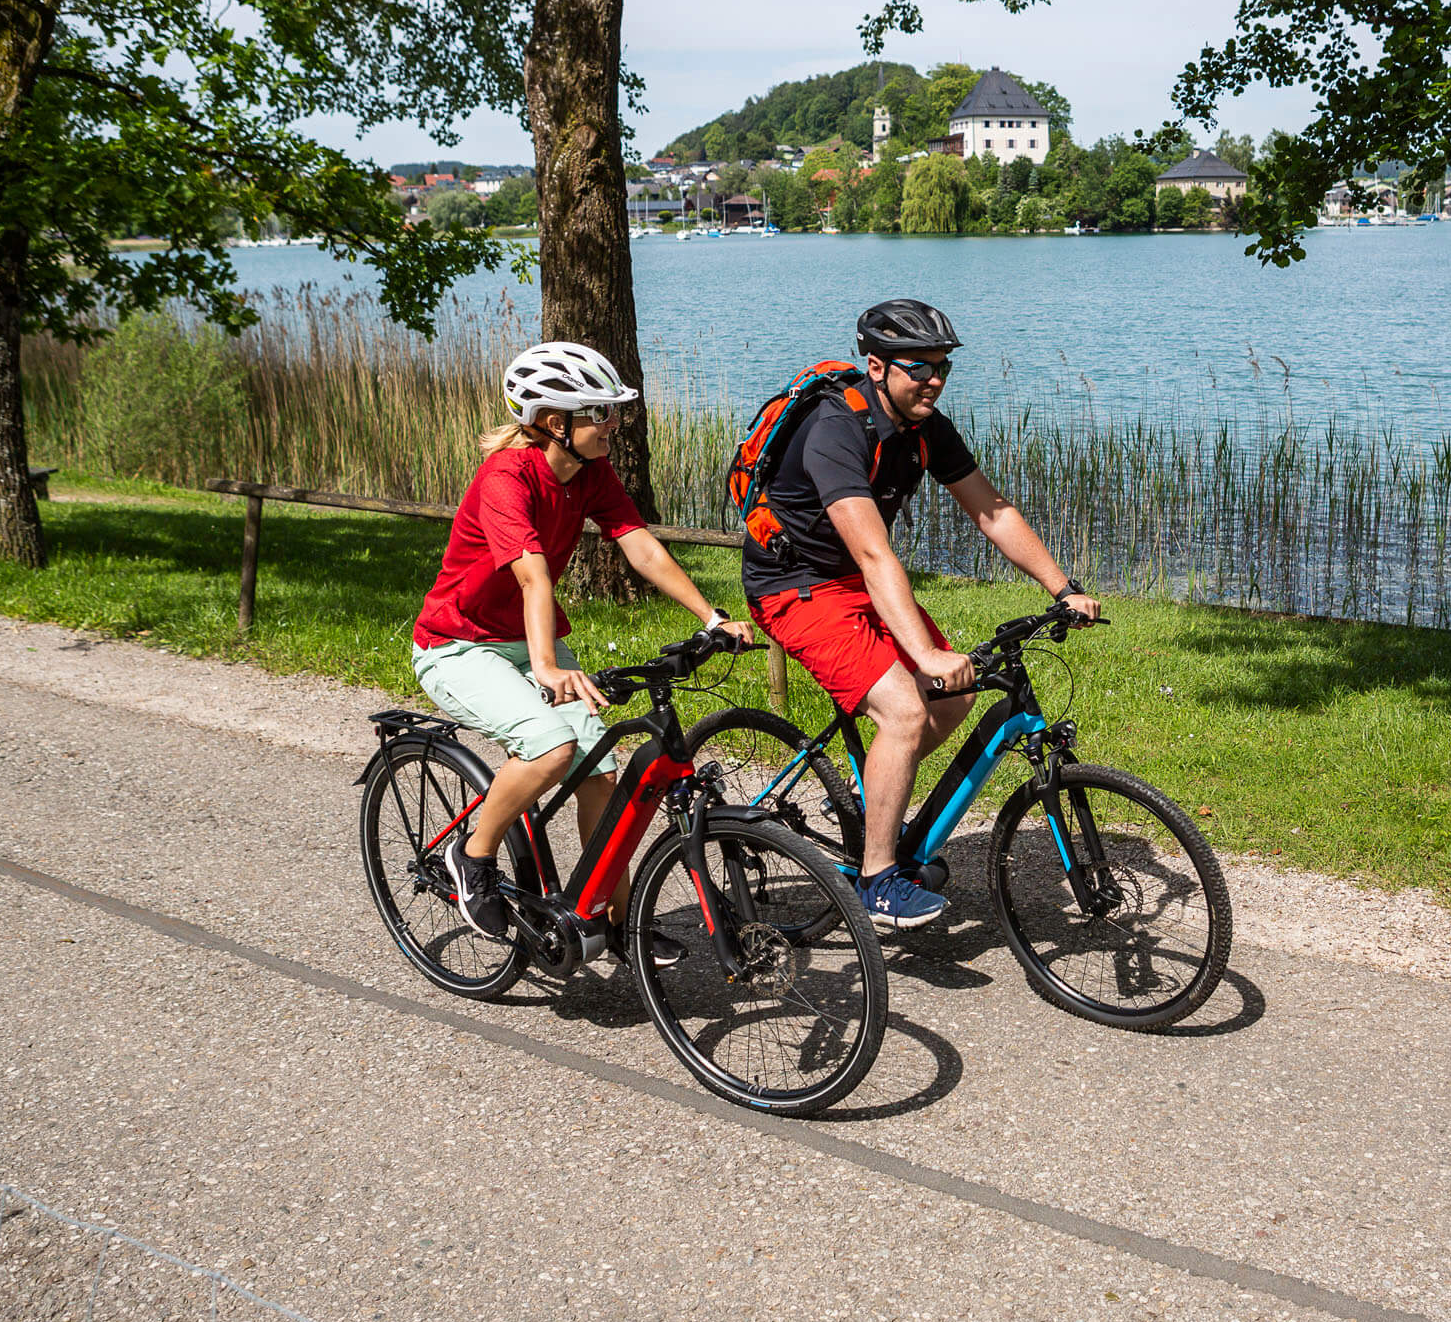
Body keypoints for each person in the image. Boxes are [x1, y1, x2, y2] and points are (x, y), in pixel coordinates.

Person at [744, 299, 1100, 931]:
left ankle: (872, 795)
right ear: (877, 366)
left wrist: (1061, 587)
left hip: (857, 579)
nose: (934, 380)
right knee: (907, 709)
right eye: (919, 367)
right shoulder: (835, 430)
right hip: (794, 586)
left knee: (956, 696)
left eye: (942, 367)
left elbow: (991, 510)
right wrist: (928, 654)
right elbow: (874, 552)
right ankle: (878, 880)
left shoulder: (925, 427)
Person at [413, 341, 752, 955]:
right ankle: (474, 855)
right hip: (457, 646)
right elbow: (533, 577)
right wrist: (546, 666)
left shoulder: (590, 471)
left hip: (528, 639)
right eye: (599, 413)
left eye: (612, 411)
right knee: (551, 749)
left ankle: (616, 924)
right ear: (553, 423)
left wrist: (711, 616)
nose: (613, 424)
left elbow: (639, 545)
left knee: (600, 774)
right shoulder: (506, 478)